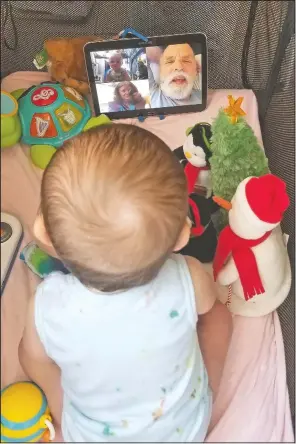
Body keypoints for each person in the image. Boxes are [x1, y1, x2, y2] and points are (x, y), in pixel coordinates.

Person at [19, 125, 232, 443]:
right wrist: (208, 379)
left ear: (43, 232)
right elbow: (216, 317)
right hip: (185, 430)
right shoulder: (187, 276)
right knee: (216, 319)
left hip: (89, 437)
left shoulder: (47, 305)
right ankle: (202, 396)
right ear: (181, 236)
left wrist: (61, 407)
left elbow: (33, 358)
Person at [147, 43, 202, 108]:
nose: (178, 67)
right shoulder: (152, 94)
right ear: (160, 71)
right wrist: (160, 58)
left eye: (186, 61)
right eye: (169, 61)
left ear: (196, 70)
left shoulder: (203, 97)